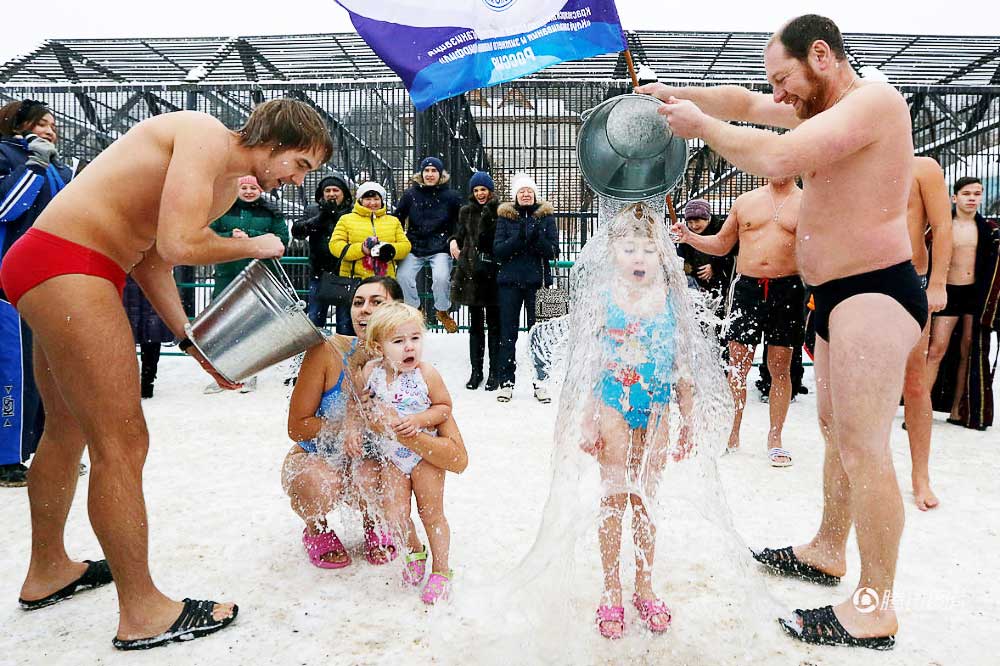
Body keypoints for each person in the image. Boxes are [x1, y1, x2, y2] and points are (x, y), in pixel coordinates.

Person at [0, 98, 333, 649]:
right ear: (275, 141)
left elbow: (154, 257)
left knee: (67, 428)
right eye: (299, 164)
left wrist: (191, 341)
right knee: (123, 443)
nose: (298, 180)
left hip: (59, 261)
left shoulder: (223, 186)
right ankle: (144, 611)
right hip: (71, 262)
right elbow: (181, 246)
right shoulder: (205, 136)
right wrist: (254, 244)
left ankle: (49, 570)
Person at [644, 14, 924, 648]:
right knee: (834, 431)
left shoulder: (875, 101)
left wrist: (702, 127)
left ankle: (875, 607)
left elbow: (774, 155)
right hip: (833, 296)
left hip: (875, 289)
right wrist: (671, 96)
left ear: (821, 55)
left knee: (865, 448)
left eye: (785, 80)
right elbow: (744, 103)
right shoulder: (819, 111)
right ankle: (828, 548)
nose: (778, 97)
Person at [282, 277, 468, 569]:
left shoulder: (414, 370)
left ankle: (375, 524)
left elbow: (458, 458)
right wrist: (349, 428)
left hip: (373, 461)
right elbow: (297, 427)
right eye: (358, 302)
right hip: (317, 457)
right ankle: (316, 528)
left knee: (372, 474)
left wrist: (405, 429)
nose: (364, 310)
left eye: (376, 302)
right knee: (319, 483)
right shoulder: (327, 351)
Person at [580, 203, 692, 639]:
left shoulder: (670, 296)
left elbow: (683, 360)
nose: (640, 258)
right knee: (614, 496)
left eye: (649, 249)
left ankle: (644, 583)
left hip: (658, 405)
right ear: (613, 253)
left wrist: (690, 417)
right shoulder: (604, 296)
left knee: (646, 495)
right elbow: (589, 363)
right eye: (629, 249)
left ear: (662, 254)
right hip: (613, 401)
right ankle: (611, 588)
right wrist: (587, 420)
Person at [673, 178, 803, 467]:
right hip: (747, 288)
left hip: (788, 288)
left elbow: (819, 249)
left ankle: (775, 438)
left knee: (780, 366)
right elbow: (721, 244)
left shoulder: (806, 202)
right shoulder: (746, 201)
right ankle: (731, 435)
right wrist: (689, 237)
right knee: (737, 365)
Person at [356, 302, 456, 604]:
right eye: (398, 341)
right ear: (378, 346)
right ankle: (414, 550)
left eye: (415, 338)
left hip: (423, 452)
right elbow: (367, 404)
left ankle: (441, 569)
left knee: (431, 513)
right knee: (395, 513)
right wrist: (367, 412)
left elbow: (444, 408)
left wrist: (418, 420)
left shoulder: (427, 374)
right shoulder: (371, 371)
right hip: (392, 454)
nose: (409, 347)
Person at [0, 99, 73, 487]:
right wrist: (33, 165)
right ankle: (6, 458)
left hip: (51, 283)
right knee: (14, 372)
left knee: (49, 371)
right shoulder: (8, 157)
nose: (50, 130)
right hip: (8, 286)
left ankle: (49, 449)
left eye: (53, 124)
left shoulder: (57, 166)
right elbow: (6, 208)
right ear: (18, 124)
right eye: (41, 123)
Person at [900, 157, 952, 510]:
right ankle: (861, 471)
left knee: (915, 382)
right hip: (861, 279)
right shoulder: (853, 159)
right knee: (861, 383)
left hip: (910, 279)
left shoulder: (922, 168)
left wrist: (937, 284)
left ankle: (921, 476)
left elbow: (942, 226)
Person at [205, 174, 289, 393]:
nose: (249, 191)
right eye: (244, 187)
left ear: (260, 190)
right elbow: (207, 234)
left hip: (258, 275)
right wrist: (229, 234)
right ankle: (222, 374)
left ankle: (249, 373)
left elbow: (282, 239)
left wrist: (250, 235)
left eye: (254, 187)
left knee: (252, 325)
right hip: (227, 274)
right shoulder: (222, 209)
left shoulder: (271, 212)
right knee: (222, 326)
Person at [928, 177, 1000, 430]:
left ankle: (960, 409)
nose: (972, 198)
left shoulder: (989, 230)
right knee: (936, 350)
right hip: (947, 292)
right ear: (954, 197)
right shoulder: (943, 226)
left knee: (968, 353)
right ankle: (921, 409)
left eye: (977, 193)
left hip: (974, 295)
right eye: (967, 193)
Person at [493, 173, 559, 403]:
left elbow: (552, 251)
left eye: (529, 191)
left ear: (535, 194)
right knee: (507, 334)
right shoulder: (505, 218)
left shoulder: (546, 217)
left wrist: (536, 236)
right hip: (510, 283)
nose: (526, 194)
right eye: (521, 191)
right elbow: (499, 251)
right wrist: (519, 238)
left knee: (539, 336)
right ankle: (506, 382)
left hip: (537, 283)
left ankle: (540, 382)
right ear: (515, 196)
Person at [394, 156, 463, 333]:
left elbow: (461, 222)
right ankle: (414, 309)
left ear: (440, 174)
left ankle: (442, 310)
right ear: (421, 173)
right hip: (414, 245)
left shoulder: (451, 196)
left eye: (434, 171)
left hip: (441, 246)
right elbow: (397, 218)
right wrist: (397, 238)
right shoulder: (410, 195)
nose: (430, 174)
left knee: (441, 278)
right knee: (403, 276)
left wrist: (455, 239)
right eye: (427, 170)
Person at [450, 171, 501, 390]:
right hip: (470, 275)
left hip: (491, 275)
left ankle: (495, 372)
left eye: (483, 189)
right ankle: (476, 371)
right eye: (476, 190)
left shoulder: (500, 211)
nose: (480, 193)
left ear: (490, 190)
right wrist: (453, 241)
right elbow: (459, 235)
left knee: (495, 327)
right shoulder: (465, 212)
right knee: (475, 328)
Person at [292, 173, 354, 331]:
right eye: (328, 190)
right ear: (322, 193)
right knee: (314, 319)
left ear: (343, 193)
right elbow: (298, 231)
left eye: (336, 190)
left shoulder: (352, 212)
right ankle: (315, 354)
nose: (331, 194)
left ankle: (343, 354)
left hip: (345, 274)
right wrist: (320, 218)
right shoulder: (313, 210)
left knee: (345, 322)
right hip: (319, 273)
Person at [328, 181, 411, 288]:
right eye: (368, 199)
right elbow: (335, 246)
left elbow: (405, 246)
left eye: (376, 199)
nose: (372, 203)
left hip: (386, 281)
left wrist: (388, 250)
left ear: (382, 200)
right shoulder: (346, 220)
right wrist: (361, 249)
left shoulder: (393, 221)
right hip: (354, 280)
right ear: (360, 200)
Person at [123, 277, 175, 399]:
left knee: (127, 342)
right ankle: (147, 382)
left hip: (130, 293)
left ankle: (136, 383)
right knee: (150, 341)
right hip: (150, 293)